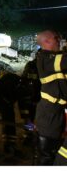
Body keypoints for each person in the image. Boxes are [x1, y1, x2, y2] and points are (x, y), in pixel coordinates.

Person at [34, 30, 67, 165]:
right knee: (46, 156)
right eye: (56, 38)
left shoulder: (55, 57)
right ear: (46, 41)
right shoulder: (45, 58)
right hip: (48, 116)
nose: (59, 39)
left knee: (56, 152)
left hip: (57, 112)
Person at [20, 56, 41, 145]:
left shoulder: (44, 65)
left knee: (34, 118)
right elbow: (24, 79)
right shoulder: (31, 65)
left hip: (39, 97)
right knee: (29, 118)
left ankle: (35, 135)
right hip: (30, 97)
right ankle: (29, 135)